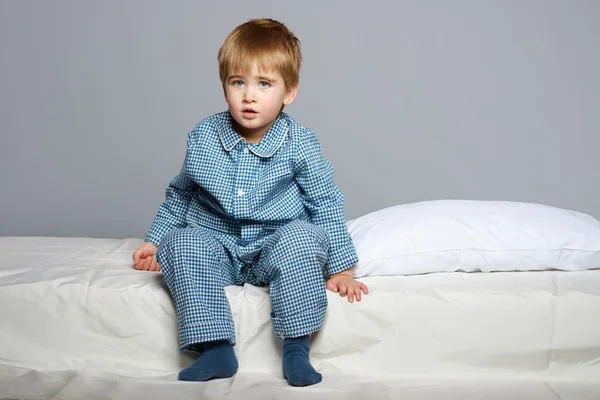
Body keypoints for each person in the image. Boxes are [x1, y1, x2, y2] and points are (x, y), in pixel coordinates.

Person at [132, 18, 368, 387]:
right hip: (218, 246)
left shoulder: (300, 142)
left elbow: (324, 201)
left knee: (303, 239)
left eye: (264, 84)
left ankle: (296, 349)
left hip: (274, 245)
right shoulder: (204, 136)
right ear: (224, 85)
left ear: (289, 92)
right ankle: (215, 348)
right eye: (237, 82)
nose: (249, 96)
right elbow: (181, 192)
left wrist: (341, 268)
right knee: (180, 243)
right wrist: (155, 238)